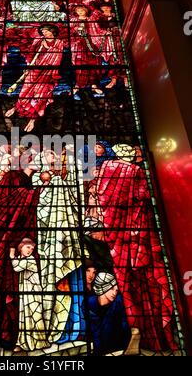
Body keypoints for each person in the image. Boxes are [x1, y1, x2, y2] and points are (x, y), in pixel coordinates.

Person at [96, 144, 178, 352]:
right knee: (148, 283)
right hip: (140, 236)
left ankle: (138, 333)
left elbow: (103, 198)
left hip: (120, 238)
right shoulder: (136, 172)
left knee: (130, 284)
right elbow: (143, 197)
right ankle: (153, 334)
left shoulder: (106, 170)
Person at [0, 154, 50, 348]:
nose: (38, 160)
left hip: (18, 241)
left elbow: (27, 209)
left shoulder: (28, 181)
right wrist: (37, 192)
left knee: (16, 288)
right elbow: (1, 206)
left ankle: (14, 335)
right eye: (34, 158)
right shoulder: (12, 177)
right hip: (2, 239)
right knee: (0, 285)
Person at [32, 148, 85, 344]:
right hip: (46, 240)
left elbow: (75, 191)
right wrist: (49, 181)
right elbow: (38, 207)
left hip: (66, 237)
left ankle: (75, 326)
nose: (53, 157)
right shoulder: (38, 178)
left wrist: (70, 161)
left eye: (54, 154)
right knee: (51, 277)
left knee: (70, 278)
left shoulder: (63, 178)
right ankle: (51, 325)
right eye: (48, 154)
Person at [5, 24, 64, 132]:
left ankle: (33, 119)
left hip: (47, 72)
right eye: (43, 31)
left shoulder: (59, 42)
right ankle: (16, 107)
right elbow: (31, 54)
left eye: (46, 31)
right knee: (25, 91)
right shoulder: (38, 40)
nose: (44, 33)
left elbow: (57, 58)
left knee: (40, 94)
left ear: (52, 31)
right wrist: (28, 66)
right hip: (34, 69)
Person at [10, 238, 50, 351]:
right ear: (21, 246)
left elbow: (16, 267)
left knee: (35, 316)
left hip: (34, 293)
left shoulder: (30, 260)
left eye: (32, 248)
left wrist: (11, 255)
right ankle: (23, 342)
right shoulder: (22, 259)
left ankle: (40, 342)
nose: (30, 250)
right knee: (24, 316)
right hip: (25, 293)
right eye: (28, 247)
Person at [86, 273, 131, 355]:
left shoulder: (119, 302)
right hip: (99, 349)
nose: (114, 293)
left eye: (116, 290)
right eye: (111, 289)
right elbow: (94, 329)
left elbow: (125, 326)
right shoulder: (89, 303)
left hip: (117, 349)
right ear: (103, 287)